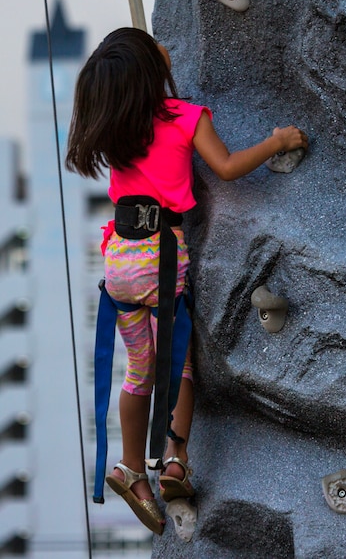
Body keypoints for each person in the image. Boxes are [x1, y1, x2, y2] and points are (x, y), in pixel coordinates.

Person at [65, 27, 308, 535]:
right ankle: (175, 461)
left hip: (119, 261)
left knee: (139, 369)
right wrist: (277, 141)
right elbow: (227, 167)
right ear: (151, 72)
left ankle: (131, 467)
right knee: (179, 367)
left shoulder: (116, 127)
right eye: (152, 48)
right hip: (161, 258)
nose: (162, 46)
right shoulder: (183, 117)